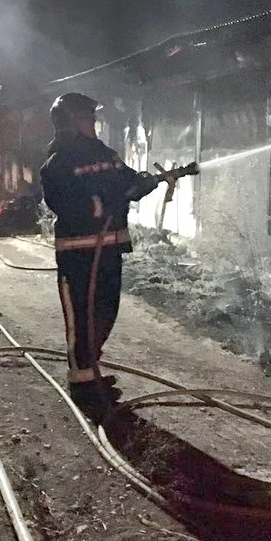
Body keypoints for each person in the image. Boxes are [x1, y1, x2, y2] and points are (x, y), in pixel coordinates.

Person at [39, 93, 168, 423]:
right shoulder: (59, 162)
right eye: (87, 117)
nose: (93, 123)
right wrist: (105, 201)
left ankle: (91, 371)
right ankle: (82, 383)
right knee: (81, 320)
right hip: (79, 255)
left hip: (110, 251)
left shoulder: (105, 155)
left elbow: (126, 181)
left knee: (106, 313)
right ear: (70, 122)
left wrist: (144, 183)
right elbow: (65, 202)